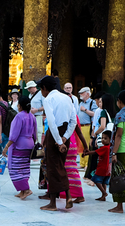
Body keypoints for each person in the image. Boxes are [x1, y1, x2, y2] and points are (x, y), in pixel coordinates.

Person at [37, 75, 77, 211]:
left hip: (54, 135)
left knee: (53, 167)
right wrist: (65, 137)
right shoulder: (67, 98)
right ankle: (68, 196)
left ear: (44, 88)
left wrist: (59, 141)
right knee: (60, 165)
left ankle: (53, 203)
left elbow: (52, 123)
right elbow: (74, 121)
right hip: (66, 133)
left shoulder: (48, 99)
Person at [2, 95, 36, 199]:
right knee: (24, 168)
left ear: (20, 105)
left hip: (19, 146)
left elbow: (14, 135)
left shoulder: (19, 116)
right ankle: (22, 191)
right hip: (29, 145)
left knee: (16, 169)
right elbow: (35, 134)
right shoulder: (32, 116)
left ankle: (27, 189)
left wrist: (6, 147)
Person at [59, 109, 88, 203]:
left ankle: (68, 194)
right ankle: (79, 194)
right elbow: (79, 133)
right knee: (73, 170)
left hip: (64, 145)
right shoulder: (73, 117)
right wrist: (85, 146)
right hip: (73, 145)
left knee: (63, 170)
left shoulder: (61, 116)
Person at [85, 130, 113, 201]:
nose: (103, 140)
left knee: (96, 180)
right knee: (104, 182)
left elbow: (95, 152)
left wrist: (87, 153)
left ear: (111, 139)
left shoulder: (104, 148)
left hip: (102, 167)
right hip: (108, 168)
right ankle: (103, 197)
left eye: (105, 138)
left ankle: (104, 193)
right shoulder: (110, 147)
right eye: (102, 138)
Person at [77, 87, 96, 169]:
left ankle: (87, 163)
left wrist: (85, 110)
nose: (80, 95)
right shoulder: (81, 103)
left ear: (87, 94)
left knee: (87, 144)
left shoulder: (92, 102)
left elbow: (95, 114)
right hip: (80, 126)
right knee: (81, 144)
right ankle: (82, 163)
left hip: (87, 126)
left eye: (82, 93)